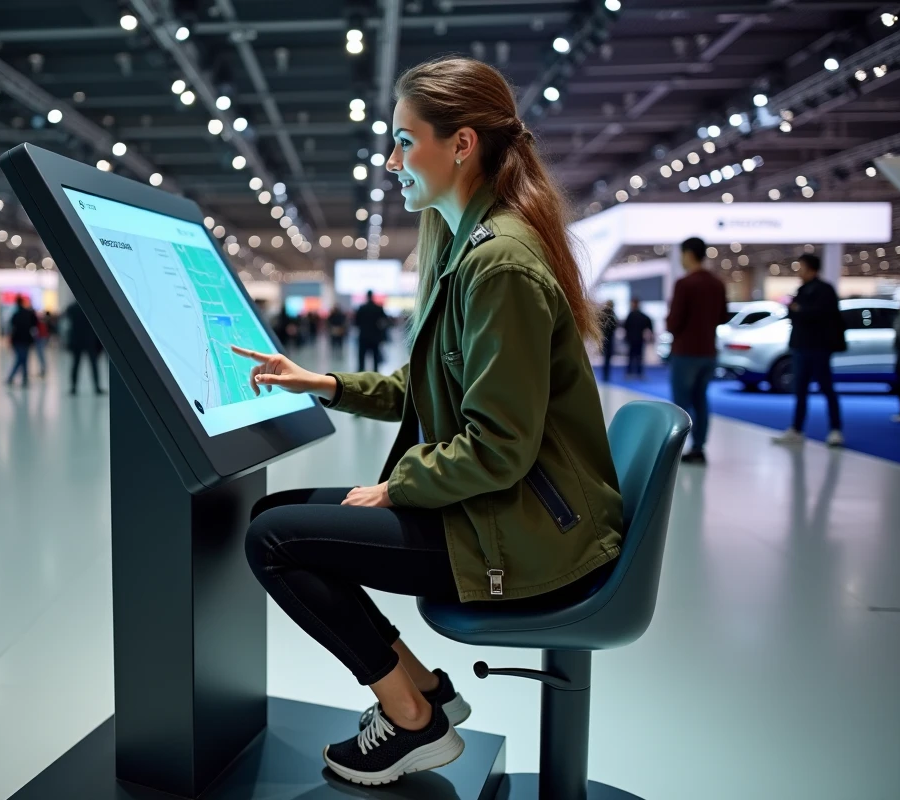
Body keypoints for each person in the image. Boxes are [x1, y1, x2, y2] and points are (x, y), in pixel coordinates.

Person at [231, 57, 623, 785]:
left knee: (274, 542)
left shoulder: (498, 263)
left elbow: (499, 447)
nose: (392, 161)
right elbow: (426, 388)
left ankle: (412, 719)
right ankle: (425, 692)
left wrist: (399, 486)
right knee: (273, 516)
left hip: (526, 534)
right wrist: (323, 383)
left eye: (405, 141)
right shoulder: (470, 246)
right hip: (509, 510)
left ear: (462, 144)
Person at [772, 253, 845, 447]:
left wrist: (801, 310)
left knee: (826, 387)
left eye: (801, 267)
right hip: (801, 347)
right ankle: (797, 429)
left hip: (819, 347)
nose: (799, 272)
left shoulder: (824, 290)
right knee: (800, 389)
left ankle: (835, 430)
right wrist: (797, 310)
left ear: (811, 268)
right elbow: (794, 313)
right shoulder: (802, 290)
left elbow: (821, 316)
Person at [666, 237, 727, 465]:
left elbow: (674, 322)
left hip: (685, 352)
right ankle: (699, 448)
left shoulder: (684, 284)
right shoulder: (717, 284)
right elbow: (723, 316)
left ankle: (676, 449)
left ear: (689, 254)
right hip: (708, 352)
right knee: (701, 400)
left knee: (681, 405)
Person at [65, 300, 104, 395]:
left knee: (76, 364)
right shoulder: (91, 307)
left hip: (77, 339)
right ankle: (97, 387)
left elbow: (67, 324)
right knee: (93, 364)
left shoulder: (71, 308)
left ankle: (73, 387)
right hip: (89, 340)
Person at [6, 295, 39, 387]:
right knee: (23, 359)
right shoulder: (28, 313)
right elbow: (35, 323)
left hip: (17, 340)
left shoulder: (16, 314)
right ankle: (22, 378)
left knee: (21, 359)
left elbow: (12, 327)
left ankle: (15, 378)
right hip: (26, 339)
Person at [355, 290, 389, 371]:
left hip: (363, 336)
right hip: (375, 337)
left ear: (367, 296)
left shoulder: (362, 308)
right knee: (375, 358)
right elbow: (386, 321)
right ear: (372, 296)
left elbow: (356, 323)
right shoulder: (378, 308)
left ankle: (361, 373)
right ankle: (375, 373)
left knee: (361, 358)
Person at [623, 296, 654, 379]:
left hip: (635, 339)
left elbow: (625, 327)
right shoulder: (637, 315)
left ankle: (633, 372)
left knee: (634, 356)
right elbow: (650, 325)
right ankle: (636, 372)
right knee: (636, 356)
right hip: (637, 339)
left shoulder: (632, 315)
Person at [599, 299, 618, 382]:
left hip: (606, 337)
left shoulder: (609, 313)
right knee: (607, 357)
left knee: (607, 357)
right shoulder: (609, 314)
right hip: (607, 337)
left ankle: (605, 374)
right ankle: (605, 374)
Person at [33, 311, 49, 377]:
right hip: (41, 339)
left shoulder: (40, 323)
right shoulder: (41, 323)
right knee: (40, 355)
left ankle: (43, 369)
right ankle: (42, 369)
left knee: (41, 355)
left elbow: (41, 333)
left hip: (40, 339)